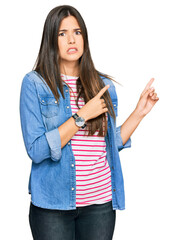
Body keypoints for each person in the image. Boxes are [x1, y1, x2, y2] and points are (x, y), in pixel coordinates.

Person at [19, 5, 159, 240]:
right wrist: (81, 115)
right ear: (50, 41)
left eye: (77, 32)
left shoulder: (102, 85)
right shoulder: (35, 84)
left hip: (100, 205)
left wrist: (139, 112)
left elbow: (108, 145)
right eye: (62, 34)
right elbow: (37, 150)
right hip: (53, 206)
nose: (71, 39)